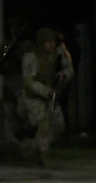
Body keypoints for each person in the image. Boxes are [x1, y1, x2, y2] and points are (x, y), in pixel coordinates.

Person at [16, 26, 74, 165]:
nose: (51, 45)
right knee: (44, 123)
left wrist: (64, 74)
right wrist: (46, 90)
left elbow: (69, 68)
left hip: (50, 96)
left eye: (53, 41)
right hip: (33, 96)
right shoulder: (31, 57)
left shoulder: (58, 54)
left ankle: (31, 148)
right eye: (48, 42)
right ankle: (43, 154)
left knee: (59, 126)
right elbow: (28, 82)